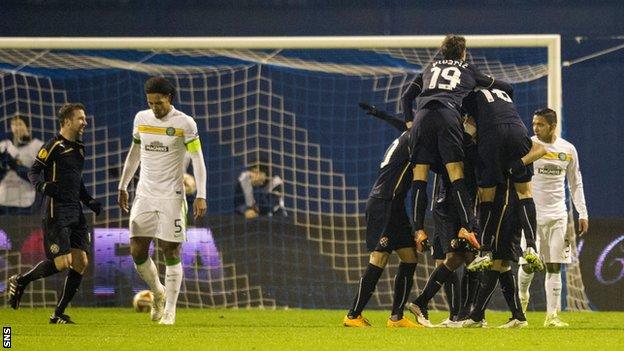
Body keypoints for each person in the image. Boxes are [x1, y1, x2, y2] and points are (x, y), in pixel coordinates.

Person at [401, 35, 513, 253]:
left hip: (422, 118)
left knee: (420, 177)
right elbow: (501, 85)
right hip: (447, 115)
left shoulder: (429, 68)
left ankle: (419, 231)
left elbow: (406, 97)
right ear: (463, 52)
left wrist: (409, 124)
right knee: (456, 173)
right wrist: (506, 94)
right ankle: (467, 228)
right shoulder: (468, 68)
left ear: (442, 52)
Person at [118, 76, 207, 325]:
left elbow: (198, 159)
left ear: (169, 99)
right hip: (145, 194)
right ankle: (157, 292)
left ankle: (170, 311)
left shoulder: (185, 123)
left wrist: (201, 194)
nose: (155, 108)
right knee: (137, 250)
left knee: (170, 250)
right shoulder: (141, 119)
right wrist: (123, 185)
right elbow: (135, 152)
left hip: (172, 196)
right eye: (150, 103)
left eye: (159, 103)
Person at [7, 103, 101, 324]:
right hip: (55, 210)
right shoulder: (53, 146)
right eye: (81, 118)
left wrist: (89, 201)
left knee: (81, 262)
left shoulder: (79, 147)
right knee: (63, 261)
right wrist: (41, 186)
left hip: (75, 210)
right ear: (67, 121)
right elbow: (33, 171)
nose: (85, 122)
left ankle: (58, 314)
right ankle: (21, 280)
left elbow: (77, 180)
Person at [342, 102, 419, 328]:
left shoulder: (408, 135)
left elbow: (403, 125)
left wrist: (380, 114)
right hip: (384, 203)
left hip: (394, 206)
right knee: (379, 257)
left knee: (410, 257)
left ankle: (396, 317)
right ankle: (353, 315)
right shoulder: (415, 139)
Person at [517, 108, 589, 327]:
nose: (535, 128)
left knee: (554, 265)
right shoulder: (528, 145)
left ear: (552, 126)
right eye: (534, 123)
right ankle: (522, 297)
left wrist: (582, 213)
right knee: (529, 264)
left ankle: (552, 316)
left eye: (540, 124)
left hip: (558, 215)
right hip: (531, 215)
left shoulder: (567, 149)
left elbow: (575, 183)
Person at [0, 115, 44, 213]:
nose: (16, 127)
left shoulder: (37, 146)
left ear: (27, 126)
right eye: (13, 124)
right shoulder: (4, 145)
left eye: (20, 124)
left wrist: (15, 165)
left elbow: (40, 178)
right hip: (3, 200)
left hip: (25, 201)